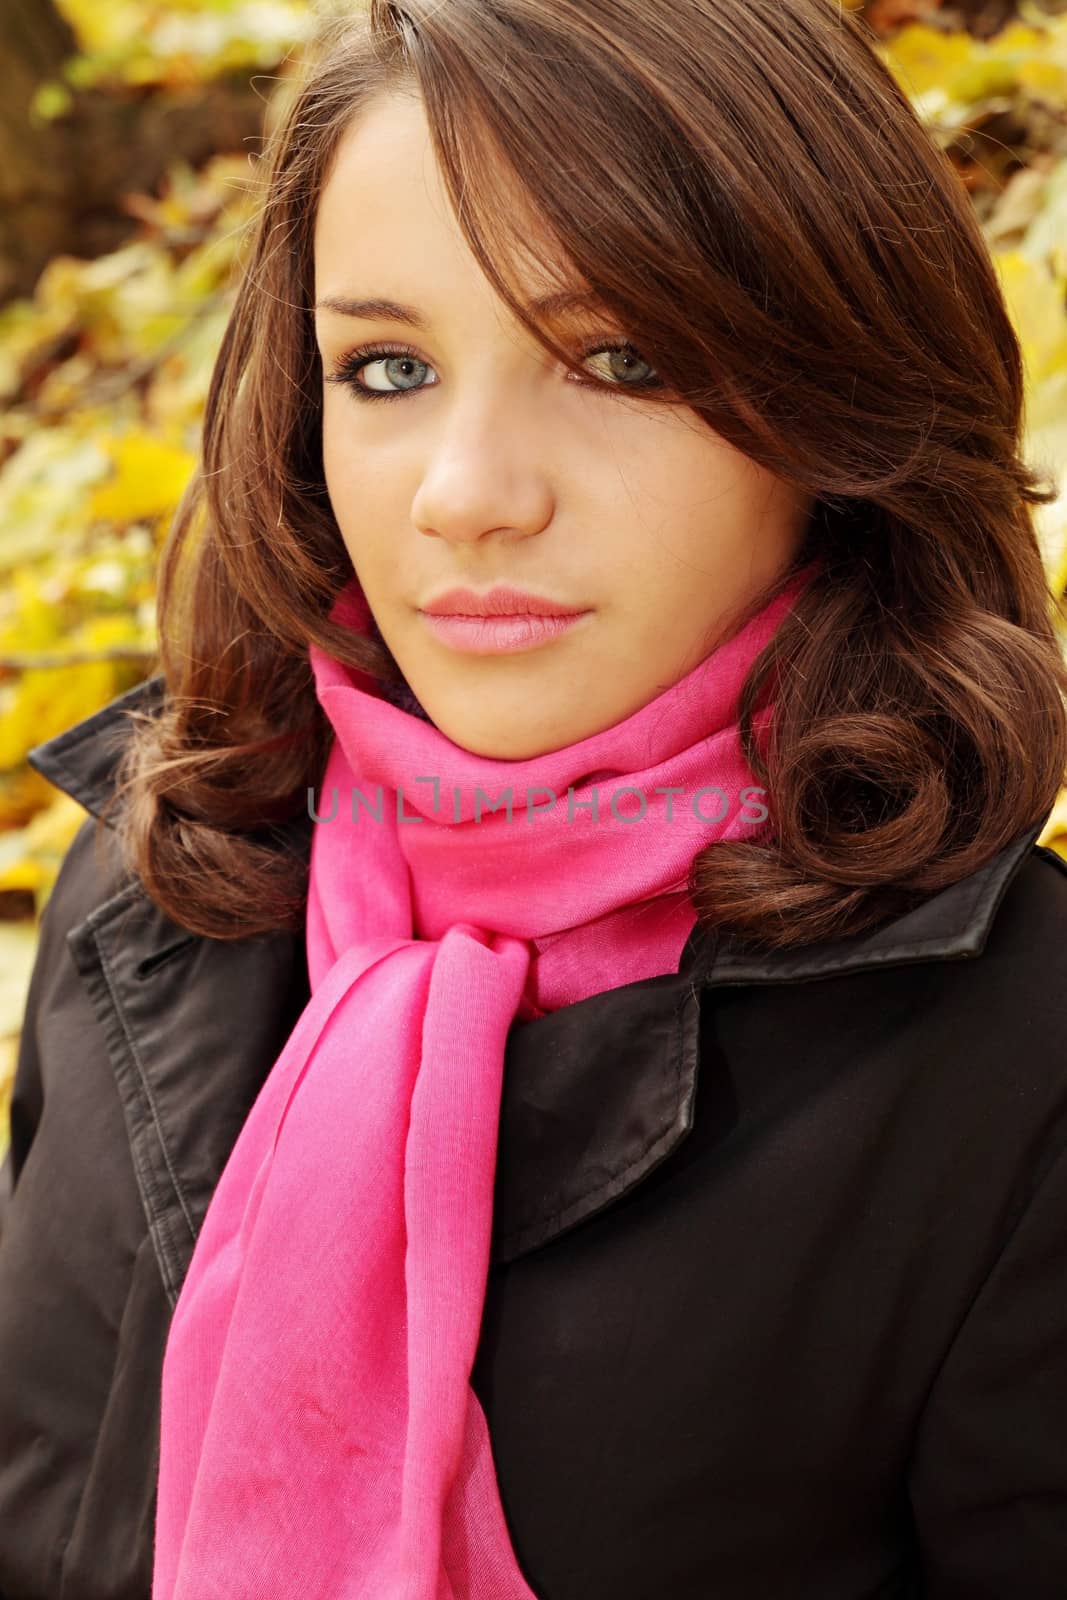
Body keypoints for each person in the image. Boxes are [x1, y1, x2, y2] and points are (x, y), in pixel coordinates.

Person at [2, 0, 1067, 1594]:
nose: (467, 495)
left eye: (619, 358)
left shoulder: (1016, 1062)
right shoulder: (162, 873)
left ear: (834, 408)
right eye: (387, 367)